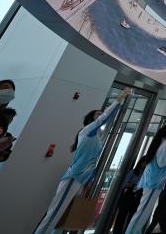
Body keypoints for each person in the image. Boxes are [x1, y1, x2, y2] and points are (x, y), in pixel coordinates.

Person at [33, 88, 130, 233]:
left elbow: (93, 160)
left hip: (81, 178)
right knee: (55, 213)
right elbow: (105, 117)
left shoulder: (97, 136)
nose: (101, 115)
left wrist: (89, 180)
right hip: (73, 176)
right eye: (98, 114)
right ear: (92, 119)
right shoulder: (87, 130)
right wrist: (120, 98)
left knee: (61, 215)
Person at [126, 121, 166, 234]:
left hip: (154, 181)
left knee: (144, 211)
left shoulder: (165, 142)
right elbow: (161, 162)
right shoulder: (165, 145)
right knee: (143, 211)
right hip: (153, 181)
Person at [114, 158, 148, 234]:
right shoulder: (133, 172)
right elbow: (125, 184)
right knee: (121, 216)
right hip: (128, 195)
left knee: (131, 217)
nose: (145, 165)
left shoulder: (146, 174)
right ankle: (117, 232)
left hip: (137, 196)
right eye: (145, 162)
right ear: (141, 163)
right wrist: (133, 185)